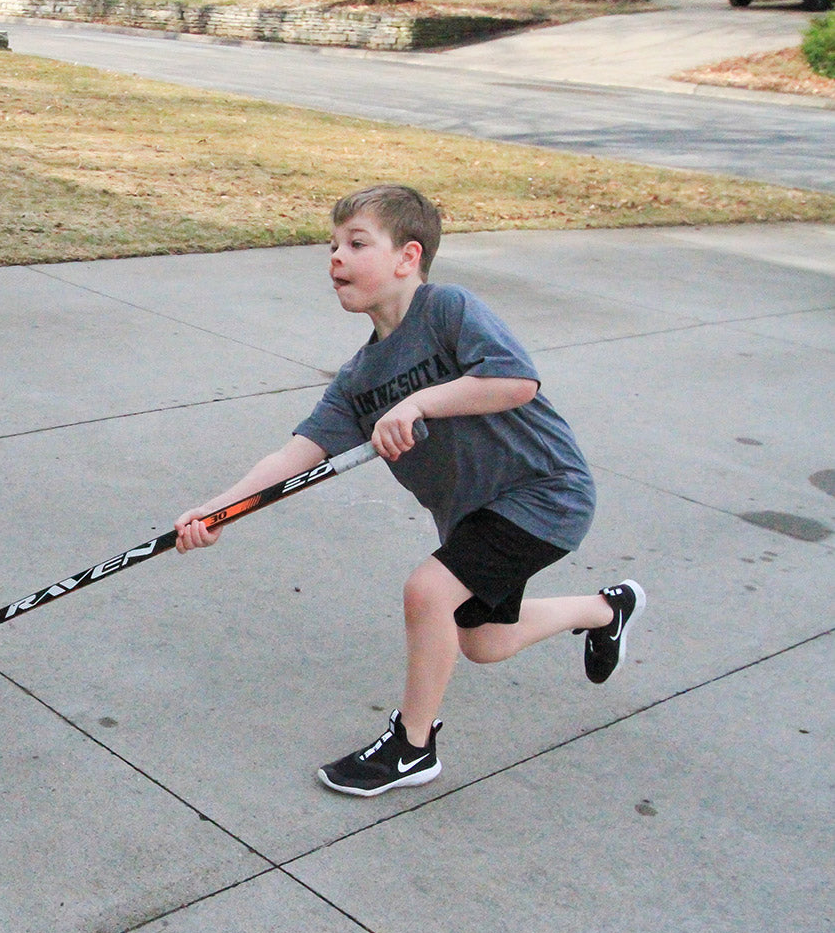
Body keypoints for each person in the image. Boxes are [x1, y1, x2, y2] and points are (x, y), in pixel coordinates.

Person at [173, 184, 643, 797]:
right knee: (484, 642)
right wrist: (218, 511)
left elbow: (516, 381)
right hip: (474, 517)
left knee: (429, 591)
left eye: (356, 243)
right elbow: (294, 458)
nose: (335, 257)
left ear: (407, 256)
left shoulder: (446, 310)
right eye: (333, 245)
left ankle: (412, 747)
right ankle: (606, 609)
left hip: (544, 492)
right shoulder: (356, 383)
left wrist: (419, 401)